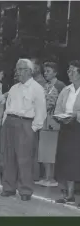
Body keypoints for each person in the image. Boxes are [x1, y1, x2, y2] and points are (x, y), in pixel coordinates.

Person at [0, 58, 47, 201]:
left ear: (29, 71)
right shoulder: (14, 88)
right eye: (17, 69)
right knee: (8, 157)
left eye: (20, 69)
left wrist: (33, 128)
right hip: (10, 123)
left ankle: (25, 190)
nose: (17, 72)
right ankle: (8, 188)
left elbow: (41, 111)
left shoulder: (37, 88)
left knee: (24, 159)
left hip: (25, 124)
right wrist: (4, 124)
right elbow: (7, 108)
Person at [53, 60, 80, 207]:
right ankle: (69, 195)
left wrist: (76, 116)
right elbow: (58, 109)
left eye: (73, 71)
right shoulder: (66, 90)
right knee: (68, 161)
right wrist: (61, 118)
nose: (69, 74)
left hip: (79, 127)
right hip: (67, 128)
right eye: (69, 71)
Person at [36, 62, 66, 187]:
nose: (45, 73)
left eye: (48, 71)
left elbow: (54, 104)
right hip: (44, 121)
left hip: (53, 122)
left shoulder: (60, 86)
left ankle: (51, 178)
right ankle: (46, 176)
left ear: (55, 72)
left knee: (50, 151)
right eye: (45, 71)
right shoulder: (46, 85)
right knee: (43, 151)